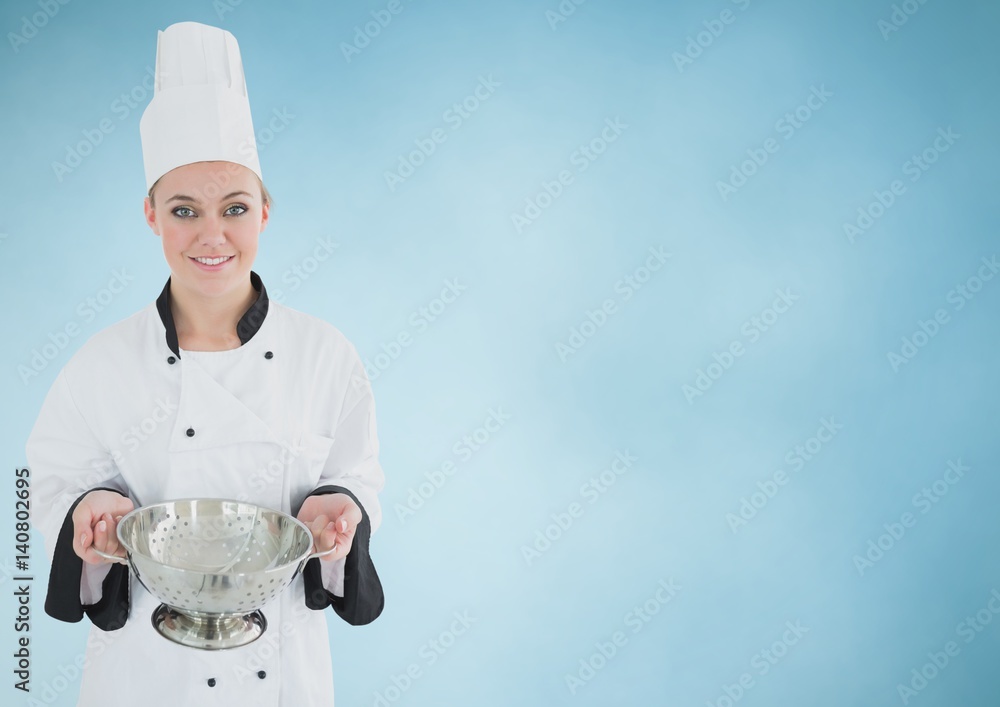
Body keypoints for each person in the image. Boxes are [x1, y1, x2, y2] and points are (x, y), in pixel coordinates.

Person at [25, 20, 385, 705]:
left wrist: (340, 512)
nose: (212, 235)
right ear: (151, 215)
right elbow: (40, 488)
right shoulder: (100, 363)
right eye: (184, 209)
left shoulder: (325, 354)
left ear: (266, 213)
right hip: (143, 674)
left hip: (281, 671)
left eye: (236, 208)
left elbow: (357, 477)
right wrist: (88, 511)